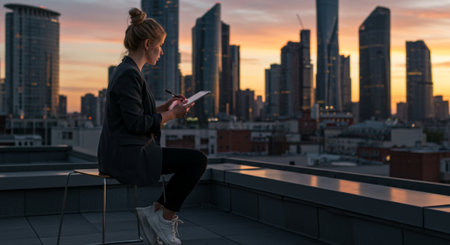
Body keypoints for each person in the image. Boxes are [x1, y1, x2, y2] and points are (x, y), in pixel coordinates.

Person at [97, 8, 208, 245]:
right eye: (160, 45)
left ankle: (155, 212)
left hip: (127, 150)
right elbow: (136, 123)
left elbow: (137, 115)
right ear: (148, 44)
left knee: (194, 161)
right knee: (196, 161)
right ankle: (164, 218)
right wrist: (172, 114)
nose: (162, 51)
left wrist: (165, 107)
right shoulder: (129, 74)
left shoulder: (128, 71)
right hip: (126, 155)